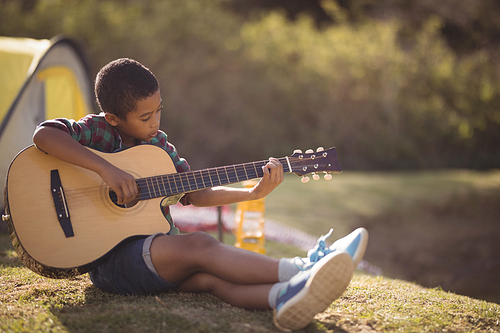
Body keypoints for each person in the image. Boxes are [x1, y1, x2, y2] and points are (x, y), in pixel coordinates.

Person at [32, 58, 369, 331]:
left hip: (155, 255)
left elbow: (195, 193)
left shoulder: (159, 146)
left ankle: (282, 297)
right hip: (111, 262)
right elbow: (45, 135)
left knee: (209, 280)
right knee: (199, 244)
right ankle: (304, 268)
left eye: (159, 110)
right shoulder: (97, 131)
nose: (155, 122)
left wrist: (253, 192)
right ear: (113, 118)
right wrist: (107, 170)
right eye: (145, 117)